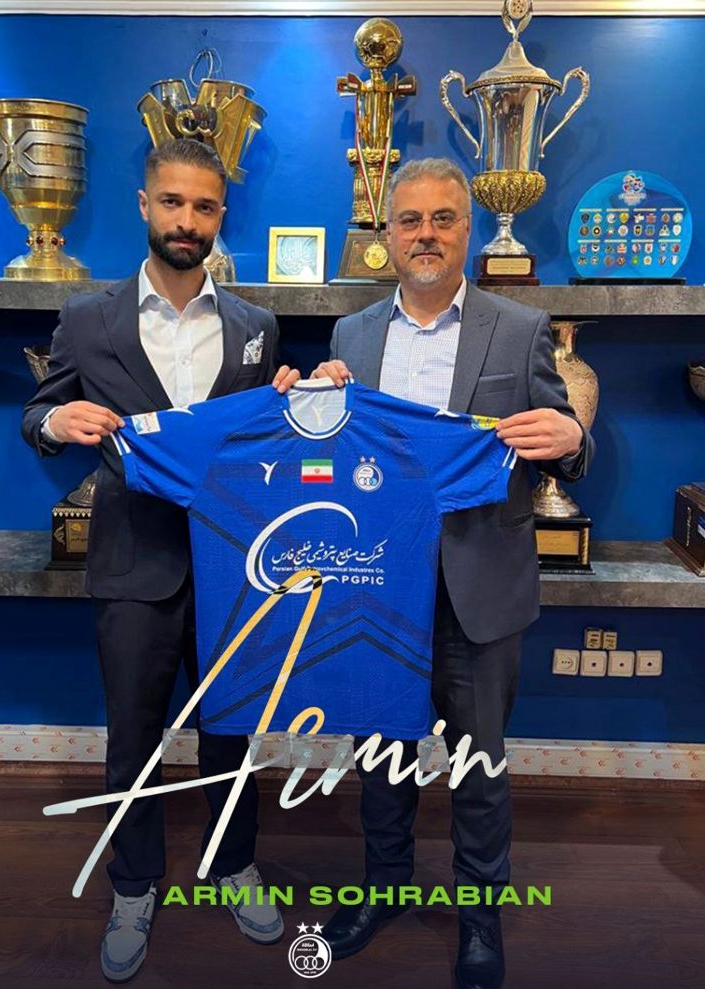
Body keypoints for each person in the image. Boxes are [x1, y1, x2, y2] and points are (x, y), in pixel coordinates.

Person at [311, 157, 594, 989]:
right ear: (388, 234)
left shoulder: (521, 327)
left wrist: (573, 440)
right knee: (379, 756)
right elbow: (332, 457)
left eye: (442, 218)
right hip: (377, 591)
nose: (425, 234)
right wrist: (315, 406)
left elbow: (562, 439)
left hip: (478, 589)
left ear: (467, 230)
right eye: (410, 220)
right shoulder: (351, 337)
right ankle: (383, 886)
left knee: (478, 769)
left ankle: (478, 914)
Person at [22, 138, 299, 983]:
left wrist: (294, 409)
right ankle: (134, 883)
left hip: (232, 568)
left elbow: (265, 445)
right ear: (145, 206)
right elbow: (38, 412)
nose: (187, 220)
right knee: (133, 738)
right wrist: (54, 423)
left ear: (220, 216)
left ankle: (233, 863)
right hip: (132, 562)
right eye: (172, 202)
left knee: (231, 731)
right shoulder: (86, 319)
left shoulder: (256, 328)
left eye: (203, 206)